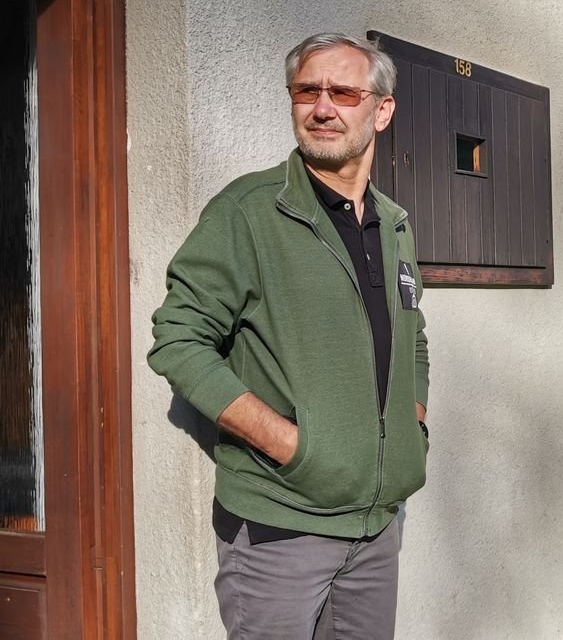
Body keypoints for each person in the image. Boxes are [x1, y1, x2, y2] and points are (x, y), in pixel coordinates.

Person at [148, 32, 430, 639]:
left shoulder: (394, 225)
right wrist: (291, 445)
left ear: (382, 110)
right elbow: (178, 337)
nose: (321, 108)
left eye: (343, 93)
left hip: (377, 528)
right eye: (307, 91)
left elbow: (414, 335)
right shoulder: (249, 211)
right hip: (280, 528)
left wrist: (413, 425)